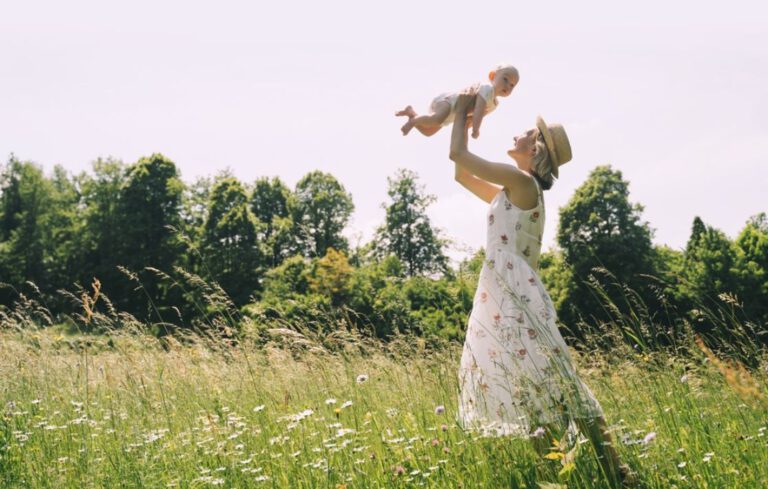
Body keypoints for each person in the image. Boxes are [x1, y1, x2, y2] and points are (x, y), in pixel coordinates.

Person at [448, 93, 636, 487]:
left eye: (525, 134)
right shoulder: (511, 191)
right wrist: (462, 121)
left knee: (552, 382)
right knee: (535, 385)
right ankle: (569, 476)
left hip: (515, 297)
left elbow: (460, 157)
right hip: (505, 294)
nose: (516, 134)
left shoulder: (521, 182)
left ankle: (613, 473)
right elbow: (461, 175)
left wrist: (463, 108)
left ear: (534, 150)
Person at [396, 64, 519, 138]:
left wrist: (467, 128)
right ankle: (413, 122)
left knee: (429, 132)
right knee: (436, 119)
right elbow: (479, 110)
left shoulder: (494, 104)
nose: (508, 86)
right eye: (505, 79)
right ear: (492, 76)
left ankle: (412, 114)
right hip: (449, 103)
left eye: (512, 85)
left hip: (453, 115)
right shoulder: (487, 88)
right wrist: (476, 129)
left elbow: (475, 118)